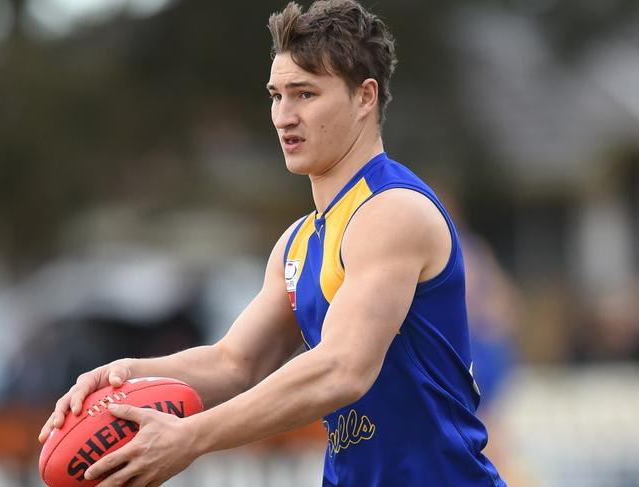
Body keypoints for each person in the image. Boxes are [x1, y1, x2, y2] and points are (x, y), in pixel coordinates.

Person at [38, 1, 507, 485]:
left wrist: (191, 436)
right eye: (276, 95)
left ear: (365, 97)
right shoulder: (298, 243)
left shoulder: (391, 211)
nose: (284, 116)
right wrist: (125, 375)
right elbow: (234, 362)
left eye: (305, 94)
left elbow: (342, 369)